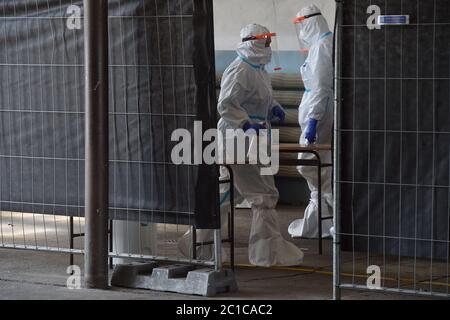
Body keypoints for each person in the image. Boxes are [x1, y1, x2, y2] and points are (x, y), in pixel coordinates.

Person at [178, 23, 304, 267]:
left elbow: (261, 96)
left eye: (269, 39)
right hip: (239, 139)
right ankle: (266, 252)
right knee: (263, 195)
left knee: (229, 194)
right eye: (265, 40)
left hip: (255, 138)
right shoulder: (240, 69)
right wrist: (245, 124)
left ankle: (198, 242)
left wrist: (273, 106)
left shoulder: (258, 69)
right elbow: (225, 104)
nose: (269, 44)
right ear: (253, 41)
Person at [288, 5, 334, 238]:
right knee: (319, 164)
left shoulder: (323, 46)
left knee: (308, 163)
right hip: (315, 111)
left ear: (310, 23)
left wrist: (313, 121)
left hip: (319, 113)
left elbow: (321, 88)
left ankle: (328, 206)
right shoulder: (320, 45)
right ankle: (325, 213)